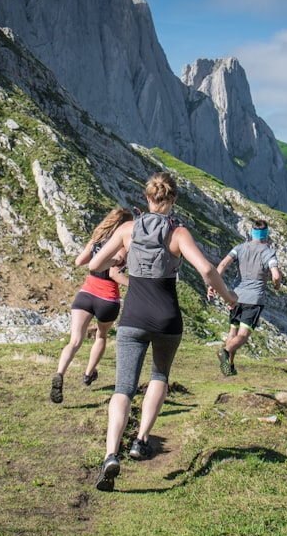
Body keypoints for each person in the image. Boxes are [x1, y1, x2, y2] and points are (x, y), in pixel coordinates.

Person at [88, 172, 238, 492]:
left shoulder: (128, 229)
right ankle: (140, 440)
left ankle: (110, 454)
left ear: (147, 198)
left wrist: (121, 255)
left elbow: (96, 263)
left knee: (122, 389)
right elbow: (208, 270)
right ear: (173, 200)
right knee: (159, 377)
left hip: (133, 317)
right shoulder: (178, 233)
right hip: (168, 319)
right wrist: (229, 298)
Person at [50, 207, 133, 404]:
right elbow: (114, 274)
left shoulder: (96, 238)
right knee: (101, 336)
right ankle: (88, 374)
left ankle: (60, 372)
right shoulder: (121, 244)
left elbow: (80, 261)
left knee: (75, 341)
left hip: (86, 294)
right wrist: (138, 286)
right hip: (108, 298)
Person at [213, 220, 281, 376]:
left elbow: (223, 264)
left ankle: (229, 366)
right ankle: (225, 351)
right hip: (254, 299)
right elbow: (275, 275)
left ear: (251, 233)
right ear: (266, 234)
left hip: (235, 296)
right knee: (243, 335)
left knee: (233, 330)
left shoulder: (240, 248)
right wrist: (277, 285)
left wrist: (214, 283)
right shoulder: (267, 252)